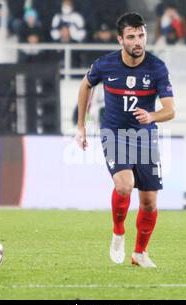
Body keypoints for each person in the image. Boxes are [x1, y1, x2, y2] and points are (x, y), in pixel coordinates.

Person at [75, 13, 175, 268]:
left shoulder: (157, 67)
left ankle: (139, 253)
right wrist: (81, 127)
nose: (137, 41)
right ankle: (118, 231)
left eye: (141, 35)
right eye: (131, 37)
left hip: (145, 137)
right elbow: (85, 86)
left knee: (149, 203)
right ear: (121, 39)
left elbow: (170, 110)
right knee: (124, 185)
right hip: (115, 133)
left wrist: (151, 115)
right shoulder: (105, 65)